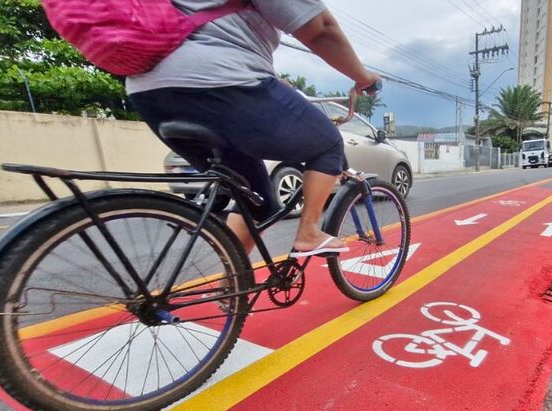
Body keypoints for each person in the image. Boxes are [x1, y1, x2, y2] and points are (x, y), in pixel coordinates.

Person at [126, 1, 382, 257]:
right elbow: (321, 29)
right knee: (329, 143)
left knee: (258, 201)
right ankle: (309, 233)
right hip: (219, 81)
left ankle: (232, 277)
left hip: (147, 93)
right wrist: (363, 77)